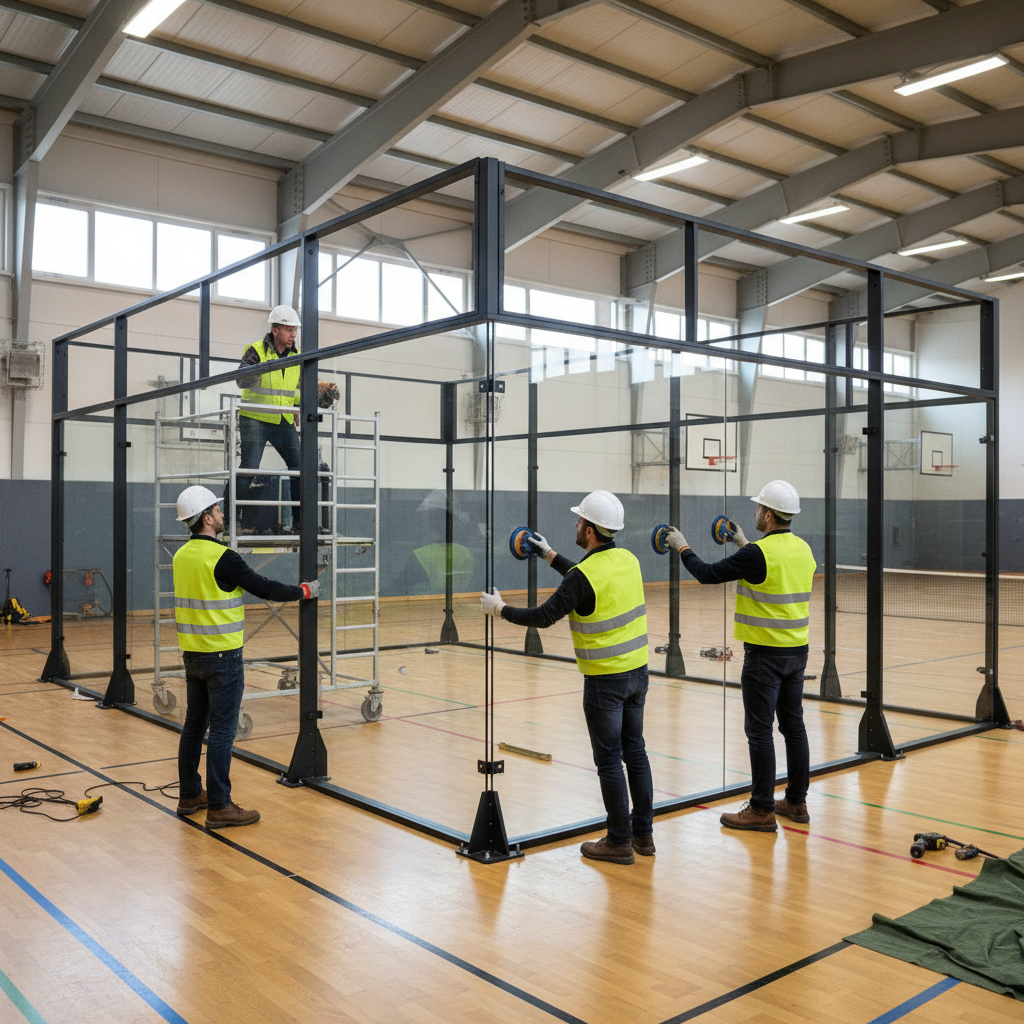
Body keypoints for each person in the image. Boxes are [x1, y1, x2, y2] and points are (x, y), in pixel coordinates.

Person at [480, 490, 654, 865]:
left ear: (590, 530)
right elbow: (588, 581)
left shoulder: (582, 576)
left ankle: (619, 841)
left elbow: (546, 614)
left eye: (579, 520)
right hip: (638, 675)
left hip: (605, 682)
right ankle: (643, 836)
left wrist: (500, 609)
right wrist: (549, 554)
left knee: (610, 761)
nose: (575, 523)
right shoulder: (628, 560)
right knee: (636, 753)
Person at [664, 480, 816, 833]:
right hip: (797, 652)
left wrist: (681, 545)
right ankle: (796, 801)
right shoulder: (803, 549)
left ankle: (762, 810)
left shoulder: (758, 554)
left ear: (768, 514)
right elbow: (774, 573)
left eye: (758, 508)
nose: (755, 512)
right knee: (793, 727)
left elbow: (707, 574)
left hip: (764, 656)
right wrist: (742, 543)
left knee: (759, 732)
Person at [173, 485, 320, 828]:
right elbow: (264, 587)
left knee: (194, 726)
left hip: (192, 654)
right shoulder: (223, 557)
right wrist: (303, 591)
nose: (222, 514)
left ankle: (190, 795)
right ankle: (220, 806)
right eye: (217, 510)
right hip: (223, 657)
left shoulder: (181, 556)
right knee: (222, 731)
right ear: (207, 519)